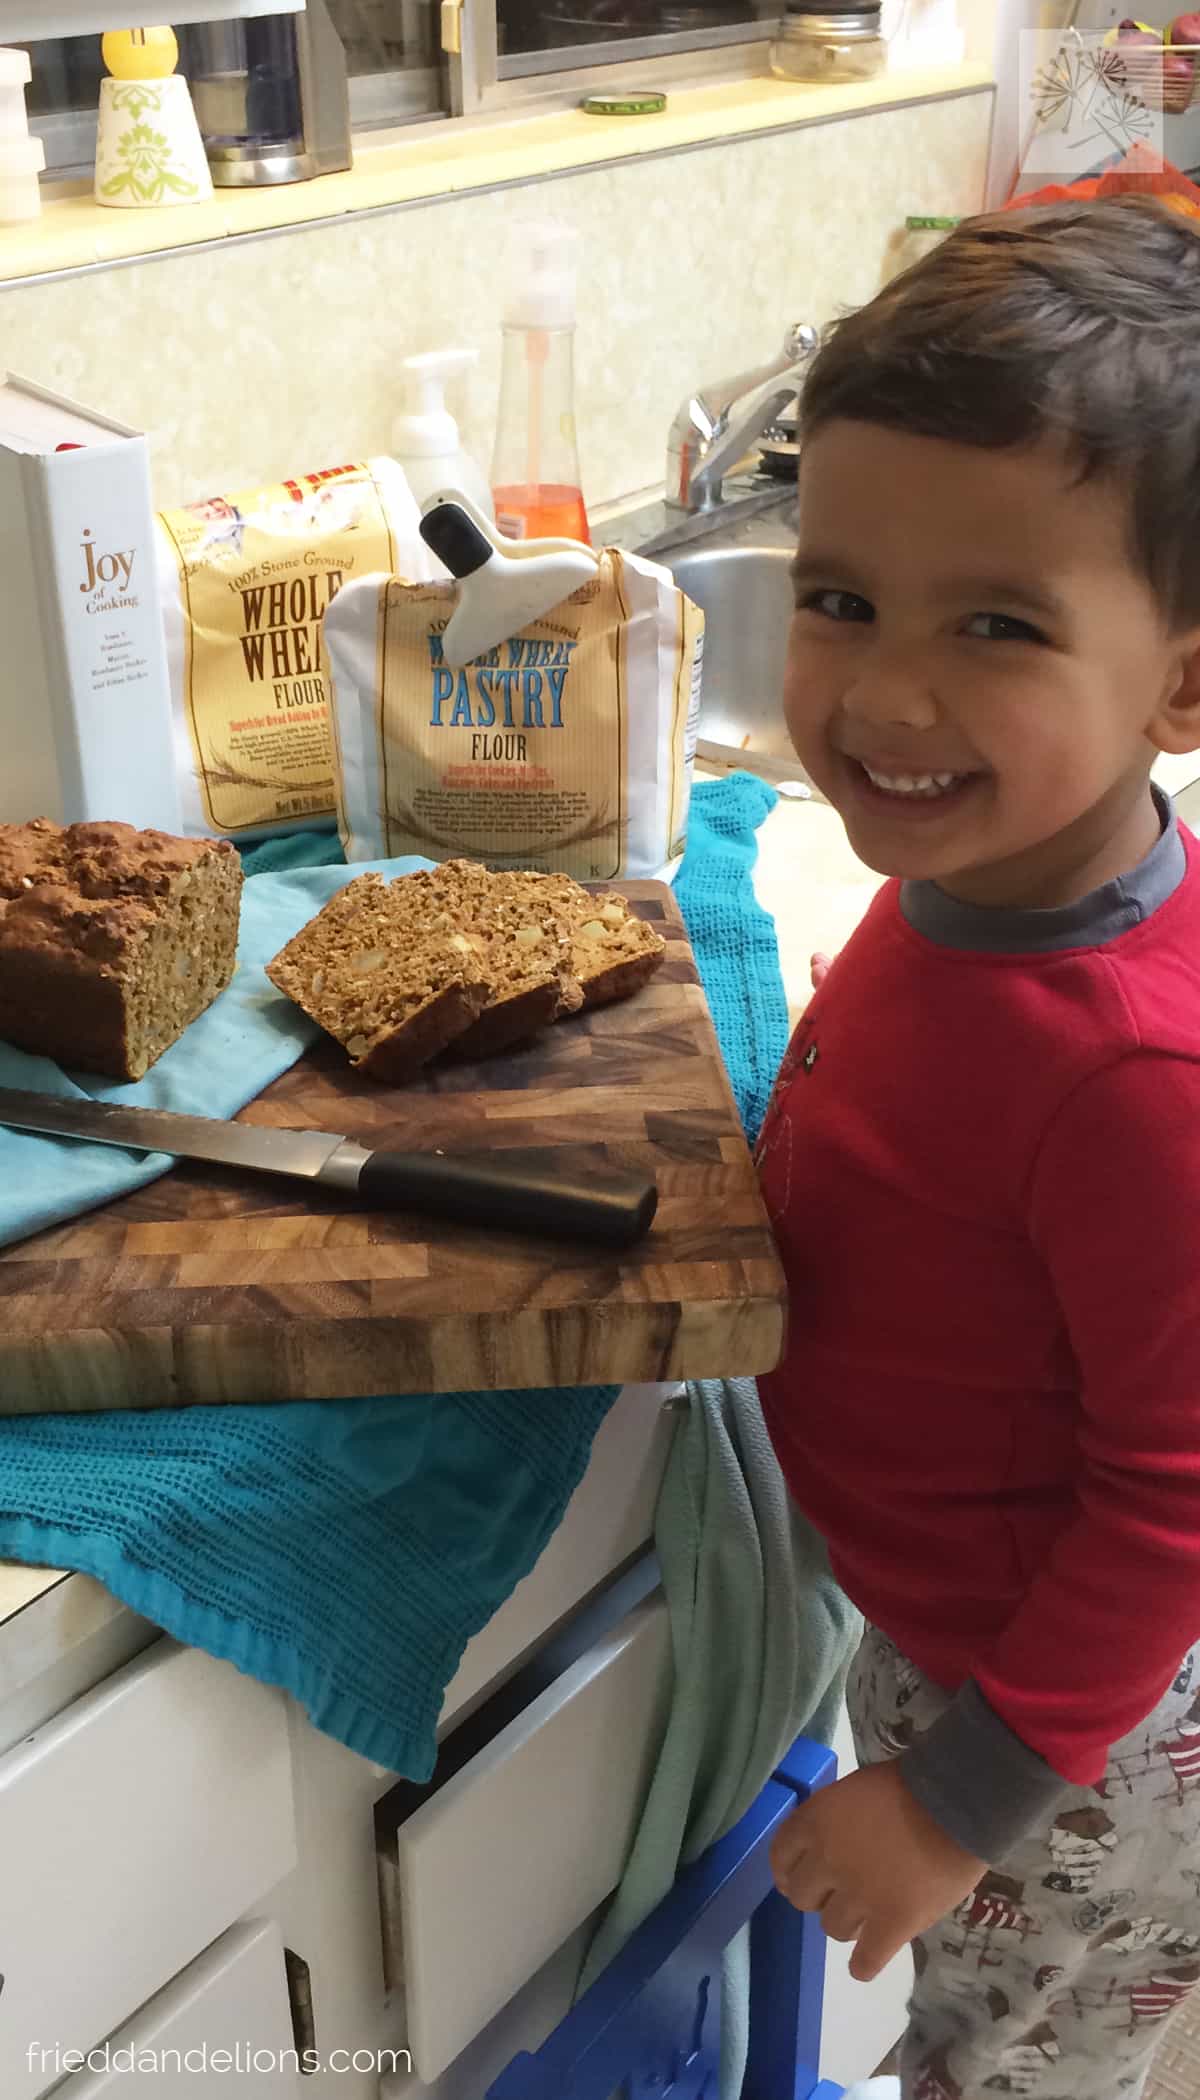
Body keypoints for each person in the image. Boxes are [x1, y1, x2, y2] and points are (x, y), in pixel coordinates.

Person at [756, 195, 1200, 2099]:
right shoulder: (967, 862)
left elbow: (1177, 1500)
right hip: (959, 1637)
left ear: (1184, 683)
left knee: (1016, 2075)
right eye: (840, 597)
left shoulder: (1128, 1077)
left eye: (996, 626)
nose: (886, 694)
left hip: (1079, 1736)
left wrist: (955, 1804)